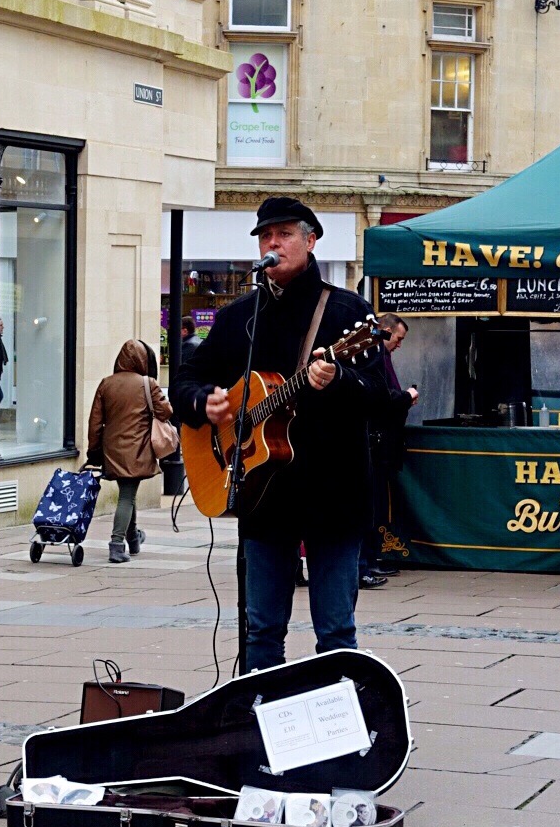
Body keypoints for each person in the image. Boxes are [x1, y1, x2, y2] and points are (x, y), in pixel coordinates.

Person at [172, 196, 387, 670]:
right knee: (261, 632)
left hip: (333, 493)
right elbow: (183, 381)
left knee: (335, 632)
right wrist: (203, 401)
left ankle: (335, 737)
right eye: (266, 235)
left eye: (285, 233)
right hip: (263, 500)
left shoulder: (348, 312)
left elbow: (381, 396)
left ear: (311, 241)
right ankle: (258, 725)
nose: (273, 243)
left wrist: (339, 380)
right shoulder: (237, 318)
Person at [87, 340, 174, 563]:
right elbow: (166, 412)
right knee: (127, 495)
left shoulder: (106, 384)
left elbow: (95, 422)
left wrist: (93, 451)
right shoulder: (147, 383)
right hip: (137, 448)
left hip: (112, 449)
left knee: (128, 491)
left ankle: (133, 538)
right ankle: (116, 544)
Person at [361, 312, 419, 589]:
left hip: (383, 444)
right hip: (374, 443)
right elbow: (382, 399)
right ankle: (365, 563)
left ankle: (372, 558)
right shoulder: (372, 357)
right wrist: (406, 397)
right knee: (369, 506)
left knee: (376, 506)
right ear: (384, 330)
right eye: (398, 338)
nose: (399, 344)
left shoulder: (382, 357)